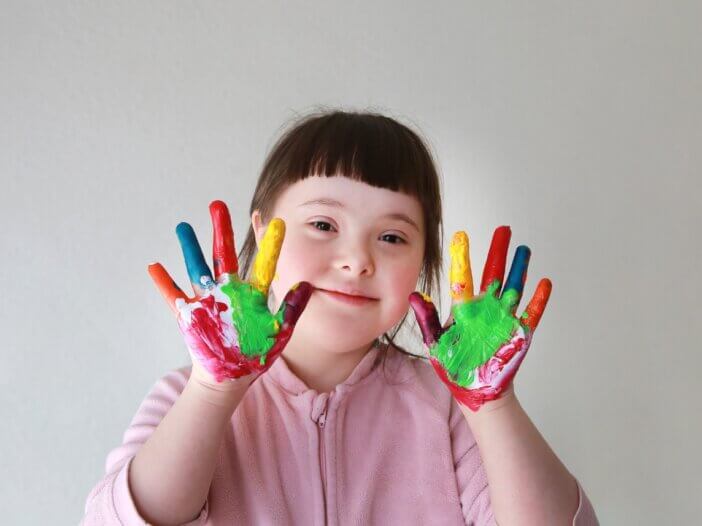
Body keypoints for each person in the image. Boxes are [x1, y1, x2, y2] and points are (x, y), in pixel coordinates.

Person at [82, 109, 599, 525]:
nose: (357, 259)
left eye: (392, 236)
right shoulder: (186, 396)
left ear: (424, 264)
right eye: (324, 224)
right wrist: (213, 393)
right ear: (263, 235)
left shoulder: (447, 411)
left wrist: (493, 409)